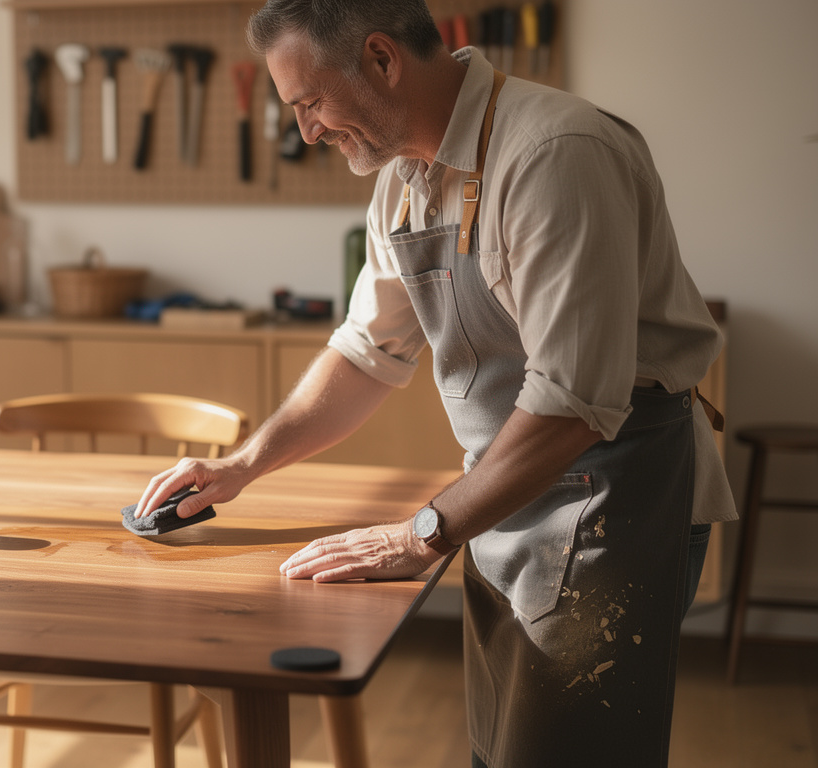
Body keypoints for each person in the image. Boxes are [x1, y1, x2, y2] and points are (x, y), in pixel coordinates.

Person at [133, 1, 736, 766]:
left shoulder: (555, 151)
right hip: (497, 501)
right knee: (506, 747)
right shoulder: (403, 181)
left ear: (382, 59)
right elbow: (366, 352)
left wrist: (422, 532)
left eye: (310, 103)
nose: (306, 131)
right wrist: (240, 466)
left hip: (609, 503)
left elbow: (573, 403)